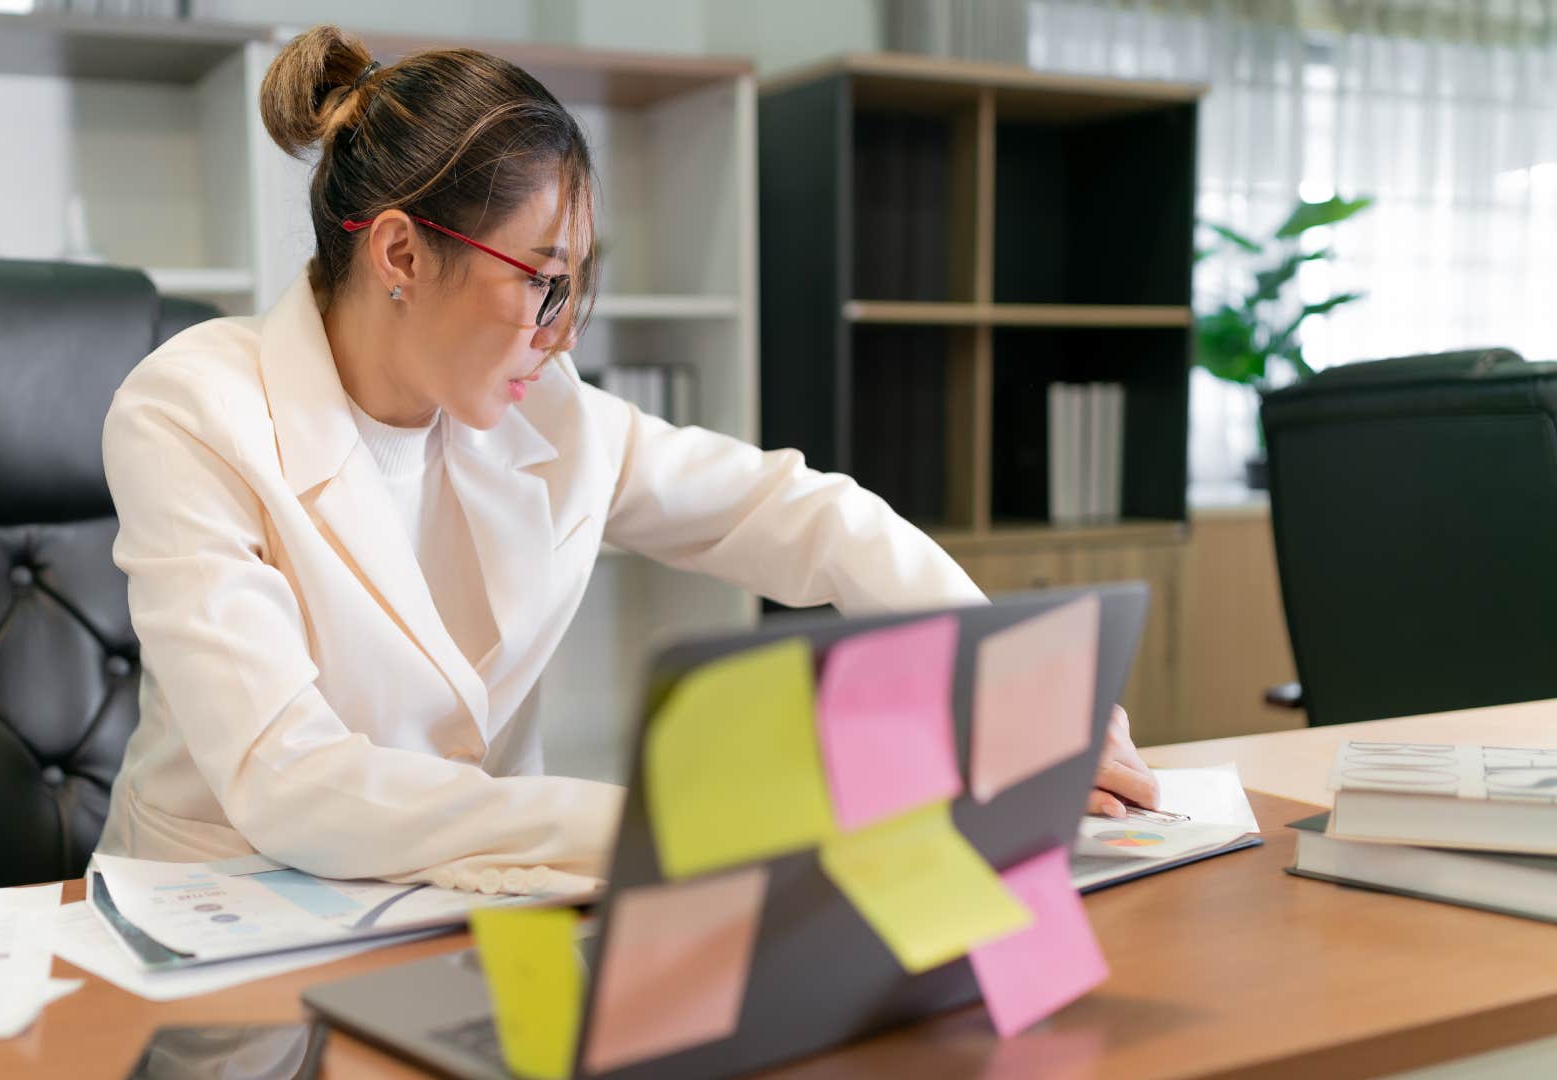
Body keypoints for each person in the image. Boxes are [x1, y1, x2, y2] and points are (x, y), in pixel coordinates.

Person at [94, 25, 1158, 894]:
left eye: (576, 287)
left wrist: (1022, 683)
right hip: (224, 924)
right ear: (403, 253)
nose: (563, 335)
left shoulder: (546, 415)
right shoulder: (194, 411)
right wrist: (670, 825)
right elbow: (291, 782)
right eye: (541, 283)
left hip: (469, 915)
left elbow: (801, 516)